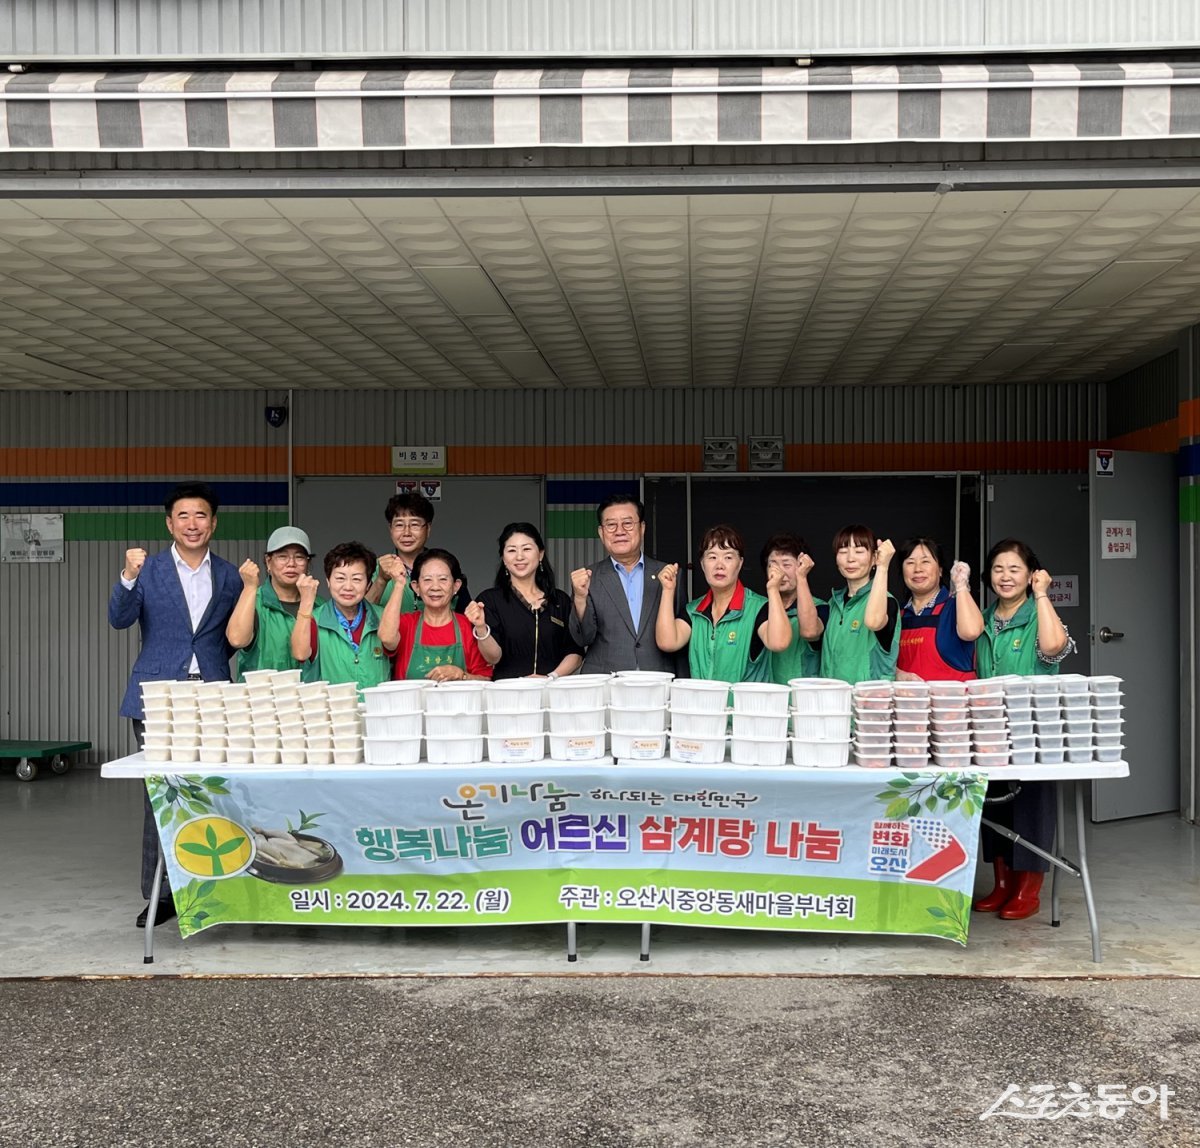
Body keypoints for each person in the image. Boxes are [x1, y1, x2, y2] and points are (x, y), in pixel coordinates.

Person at [108, 481, 242, 929]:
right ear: (170, 523)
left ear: (214, 522)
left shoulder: (227, 575)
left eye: (200, 515)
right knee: (159, 796)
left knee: (212, 791)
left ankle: (214, 882)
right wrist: (127, 577)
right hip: (158, 699)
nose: (192, 524)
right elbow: (119, 619)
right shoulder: (148, 570)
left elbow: (233, 636)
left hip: (212, 697)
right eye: (183, 516)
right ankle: (159, 896)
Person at [973, 538, 1075, 921]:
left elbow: (1053, 647)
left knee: (1031, 805)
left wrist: (1043, 596)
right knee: (995, 803)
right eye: (998, 569)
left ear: (1031, 574)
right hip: (990, 727)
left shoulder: (1038, 613)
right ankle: (1001, 885)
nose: (1005, 576)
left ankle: (1027, 889)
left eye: (1014, 569)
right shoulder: (982, 617)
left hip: (1033, 728)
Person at [655, 525, 791, 683]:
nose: (719, 565)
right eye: (712, 557)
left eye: (728, 557)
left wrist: (773, 590)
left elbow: (779, 643)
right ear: (702, 564)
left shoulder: (759, 607)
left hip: (744, 706)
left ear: (739, 563)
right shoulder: (694, 611)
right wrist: (668, 590)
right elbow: (667, 642)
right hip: (704, 705)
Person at [568, 494, 683, 674]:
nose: (619, 531)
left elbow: (679, 633)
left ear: (642, 528)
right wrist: (580, 598)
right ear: (601, 532)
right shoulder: (588, 577)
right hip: (605, 681)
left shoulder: (667, 575)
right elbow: (583, 638)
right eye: (611, 525)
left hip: (657, 677)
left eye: (628, 523)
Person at [473, 522, 584, 680]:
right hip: (507, 695)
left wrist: (550, 678)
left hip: (551, 694)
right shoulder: (490, 601)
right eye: (511, 550)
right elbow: (492, 658)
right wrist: (481, 628)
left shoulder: (560, 601)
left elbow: (575, 652)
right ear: (503, 558)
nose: (519, 556)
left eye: (526, 549)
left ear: (540, 554)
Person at [291, 541, 400, 691]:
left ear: (368, 585)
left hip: (375, 711)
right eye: (340, 578)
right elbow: (300, 654)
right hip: (332, 712)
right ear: (328, 582)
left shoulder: (382, 616)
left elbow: (391, 642)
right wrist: (306, 602)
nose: (348, 587)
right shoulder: (314, 619)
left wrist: (400, 583)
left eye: (356, 579)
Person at [380, 548, 492, 682]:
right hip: (410, 703)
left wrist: (462, 675)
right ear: (416, 587)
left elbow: (485, 680)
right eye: (427, 580)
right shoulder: (407, 624)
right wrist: (399, 583)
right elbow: (387, 639)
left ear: (456, 586)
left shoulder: (468, 627)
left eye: (443, 579)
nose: (435, 587)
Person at [226, 526, 322, 679]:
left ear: (308, 563)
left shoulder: (319, 606)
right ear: (268, 562)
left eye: (299, 557)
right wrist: (249, 587)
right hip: (262, 699)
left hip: (306, 699)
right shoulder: (254, 600)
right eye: (282, 557)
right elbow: (237, 639)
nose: (291, 564)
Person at [810, 524, 901, 685]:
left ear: (874, 558)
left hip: (868, 703)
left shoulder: (886, 601)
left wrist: (883, 566)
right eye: (843, 551)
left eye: (859, 551)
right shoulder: (833, 603)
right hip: (832, 702)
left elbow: (874, 621)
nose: (850, 559)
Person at [365, 491, 470, 614]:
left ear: (428, 528)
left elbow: (466, 617)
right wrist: (381, 580)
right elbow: (358, 618)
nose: (406, 533)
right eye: (399, 525)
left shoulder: (445, 566)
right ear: (391, 529)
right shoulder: (374, 568)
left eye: (414, 524)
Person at [896, 537, 984, 681]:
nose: (918, 569)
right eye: (910, 563)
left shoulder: (955, 606)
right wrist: (898, 673)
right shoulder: (897, 614)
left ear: (941, 570)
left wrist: (960, 585)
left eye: (926, 561)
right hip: (910, 702)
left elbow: (972, 631)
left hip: (954, 700)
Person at [759, 532, 823, 684]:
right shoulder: (759, 609)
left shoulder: (821, 607)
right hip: (768, 698)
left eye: (786, 565)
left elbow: (810, 632)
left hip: (805, 698)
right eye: (773, 565)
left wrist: (801, 577)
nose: (779, 572)